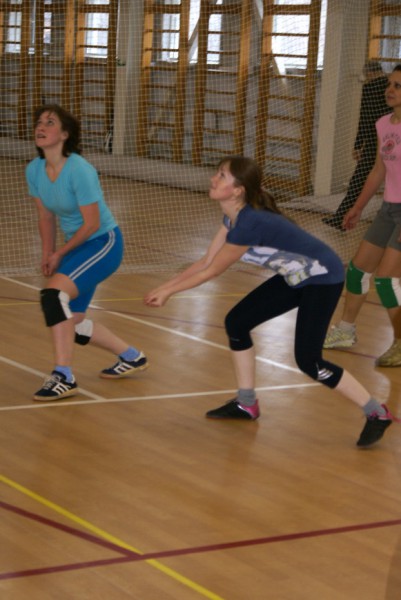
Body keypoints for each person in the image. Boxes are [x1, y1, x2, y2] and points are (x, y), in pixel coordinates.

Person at [144, 155, 396, 448]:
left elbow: (212, 272)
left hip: (322, 279)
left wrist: (169, 292)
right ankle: (246, 403)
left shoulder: (250, 223)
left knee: (309, 361)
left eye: (222, 175)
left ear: (238, 190)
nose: (213, 178)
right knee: (237, 322)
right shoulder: (232, 217)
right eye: (218, 173)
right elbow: (206, 261)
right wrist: (165, 287)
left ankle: (377, 413)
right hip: (297, 276)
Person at [27, 104, 148, 401]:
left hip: (102, 243)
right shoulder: (34, 170)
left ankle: (63, 376)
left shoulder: (79, 170)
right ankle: (131, 356)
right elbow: (45, 217)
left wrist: (60, 254)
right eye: (39, 122)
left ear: (65, 134)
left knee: (53, 297)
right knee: (74, 322)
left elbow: (92, 224)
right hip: (78, 246)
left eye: (50, 122)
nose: (41, 126)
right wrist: (48, 253)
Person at [324, 64, 401, 367]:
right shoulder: (383, 123)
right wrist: (356, 207)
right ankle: (345, 331)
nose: (390, 90)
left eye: (397, 86)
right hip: (388, 209)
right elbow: (378, 171)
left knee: (386, 281)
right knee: (357, 272)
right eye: (390, 84)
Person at [323, 60, 390, 232]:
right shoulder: (390, 86)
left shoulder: (370, 88)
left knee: (358, 181)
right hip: (391, 138)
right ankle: (341, 218)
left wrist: (358, 144)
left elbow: (365, 118)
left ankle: (341, 218)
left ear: (369, 73)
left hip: (375, 141)